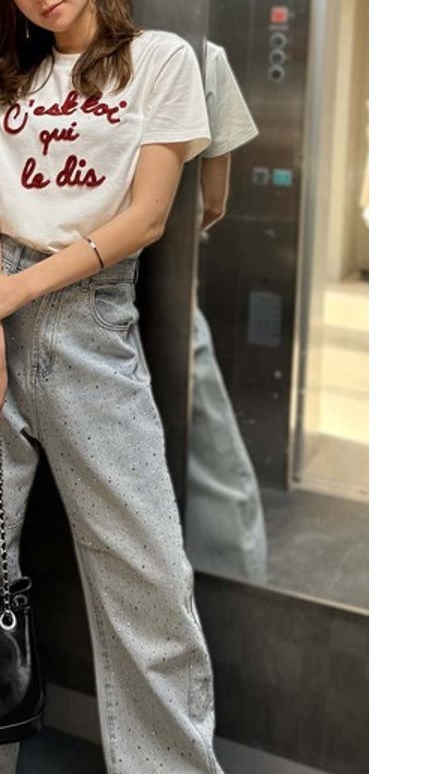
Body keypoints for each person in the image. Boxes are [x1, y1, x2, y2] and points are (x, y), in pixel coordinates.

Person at [0, 0, 225, 774]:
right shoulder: (5, 79)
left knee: (148, 576)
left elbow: (146, 218)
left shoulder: (160, 60)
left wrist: (15, 295)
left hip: (87, 314)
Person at [185, 41, 269, 584]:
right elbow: (214, 202)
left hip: (48, 284)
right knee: (211, 453)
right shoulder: (202, 52)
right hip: (164, 286)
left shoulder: (46, 46)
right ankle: (234, 591)